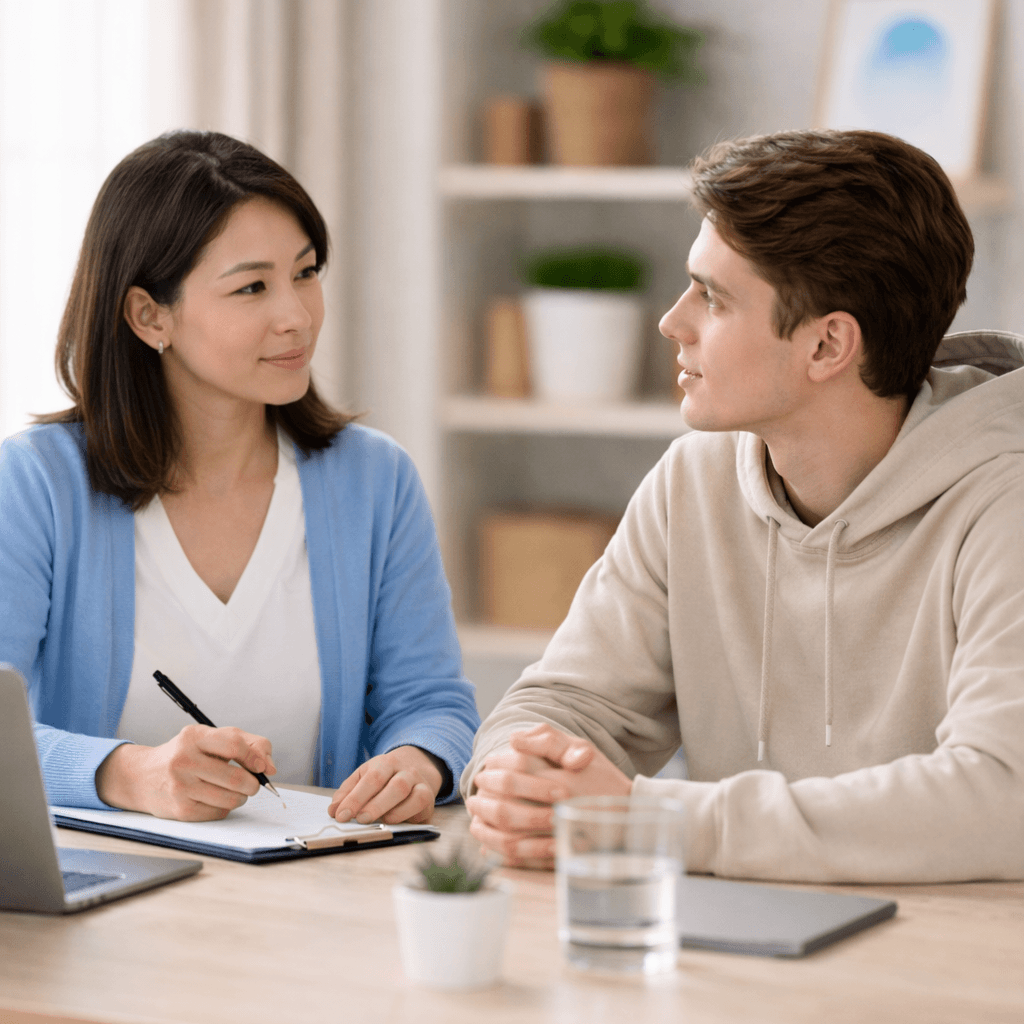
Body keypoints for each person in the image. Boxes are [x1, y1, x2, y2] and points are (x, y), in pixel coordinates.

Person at [461, 128, 1024, 883]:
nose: (673, 321)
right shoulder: (693, 480)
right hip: (736, 931)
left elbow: (1002, 797)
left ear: (827, 346)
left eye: (713, 298)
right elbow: (567, 703)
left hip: (953, 945)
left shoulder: (1004, 502)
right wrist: (518, 778)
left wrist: (656, 821)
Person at [0, 130, 479, 824]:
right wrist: (129, 773)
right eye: (252, 286)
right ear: (149, 315)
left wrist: (419, 758)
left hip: (319, 876)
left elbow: (432, 702)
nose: (297, 317)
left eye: (306, 273)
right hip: (113, 877)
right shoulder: (37, 483)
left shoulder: (375, 480)